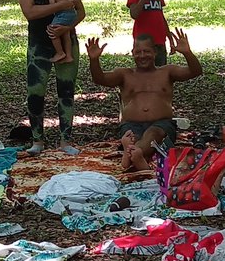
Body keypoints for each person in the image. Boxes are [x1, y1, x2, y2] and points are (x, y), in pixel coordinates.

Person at [86, 29, 202, 172]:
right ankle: (135, 152)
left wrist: (187, 53)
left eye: (146, 51)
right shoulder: (124, 74)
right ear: (132, 53)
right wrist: (94, 60)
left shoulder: (167, 72)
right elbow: (99, 79)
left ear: (155, 52)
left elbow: (195, 71)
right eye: (138, 52)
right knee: (133, 136)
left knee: (153, 134)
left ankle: (133, 154)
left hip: (161, 124)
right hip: (131, 124)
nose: (142, 56)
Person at [16, 0, 85, 156]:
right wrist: (60, 6)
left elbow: (79, 11)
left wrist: (66, 27)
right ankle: (38, 140)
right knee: (35, 93)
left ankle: (66, 140)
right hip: (39, 43)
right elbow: (31, 12)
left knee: (66, 91)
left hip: (66, 40)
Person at [125, 0, 170, 67]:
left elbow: (160, 16)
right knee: (144, 71)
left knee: (160, 70)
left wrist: (169, 36)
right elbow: (134, 14)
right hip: (142, 42)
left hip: (159, 40)